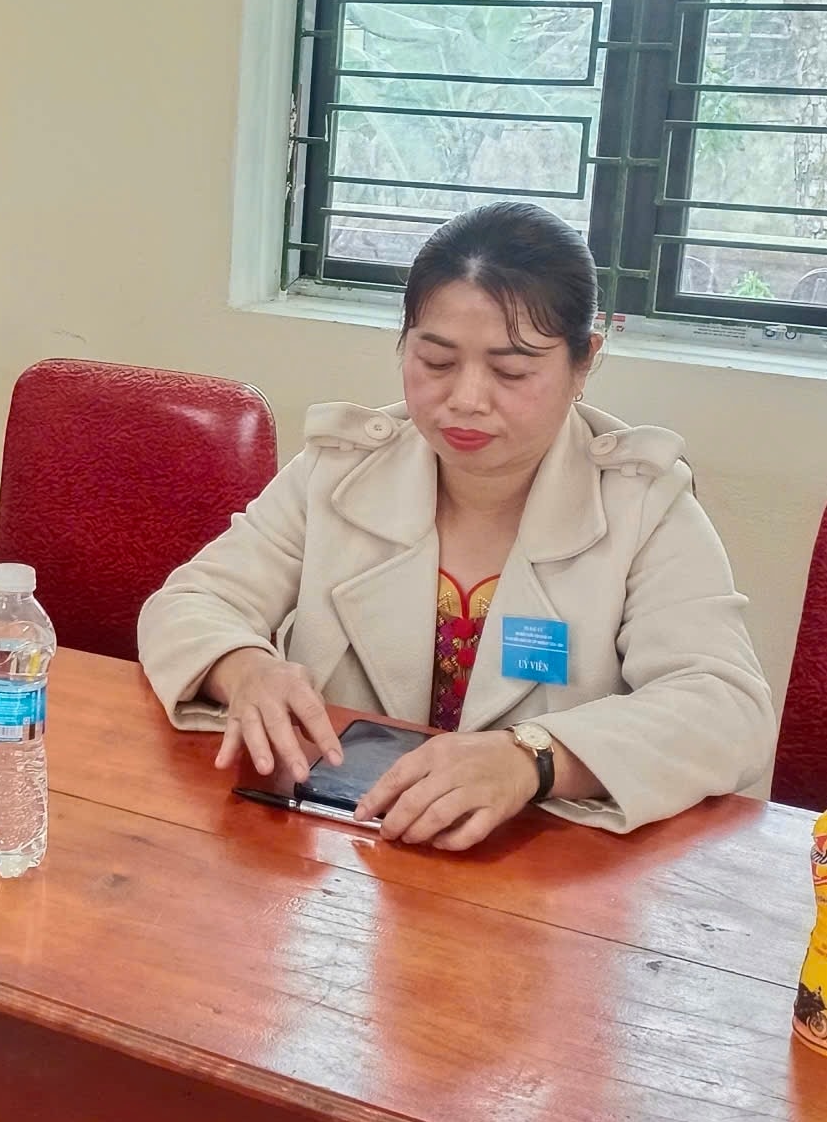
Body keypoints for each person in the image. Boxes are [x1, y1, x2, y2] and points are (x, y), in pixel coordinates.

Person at [138, 201, 773, 846]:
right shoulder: (341, 473)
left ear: (584, 362)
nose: (466, 399)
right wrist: (245, 668)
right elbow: (191, 601)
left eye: (511, 370)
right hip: (341, 846)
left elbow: (726, 708)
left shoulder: (642, 503)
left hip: (538, 865)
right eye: (437, 362)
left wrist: (536, 757)